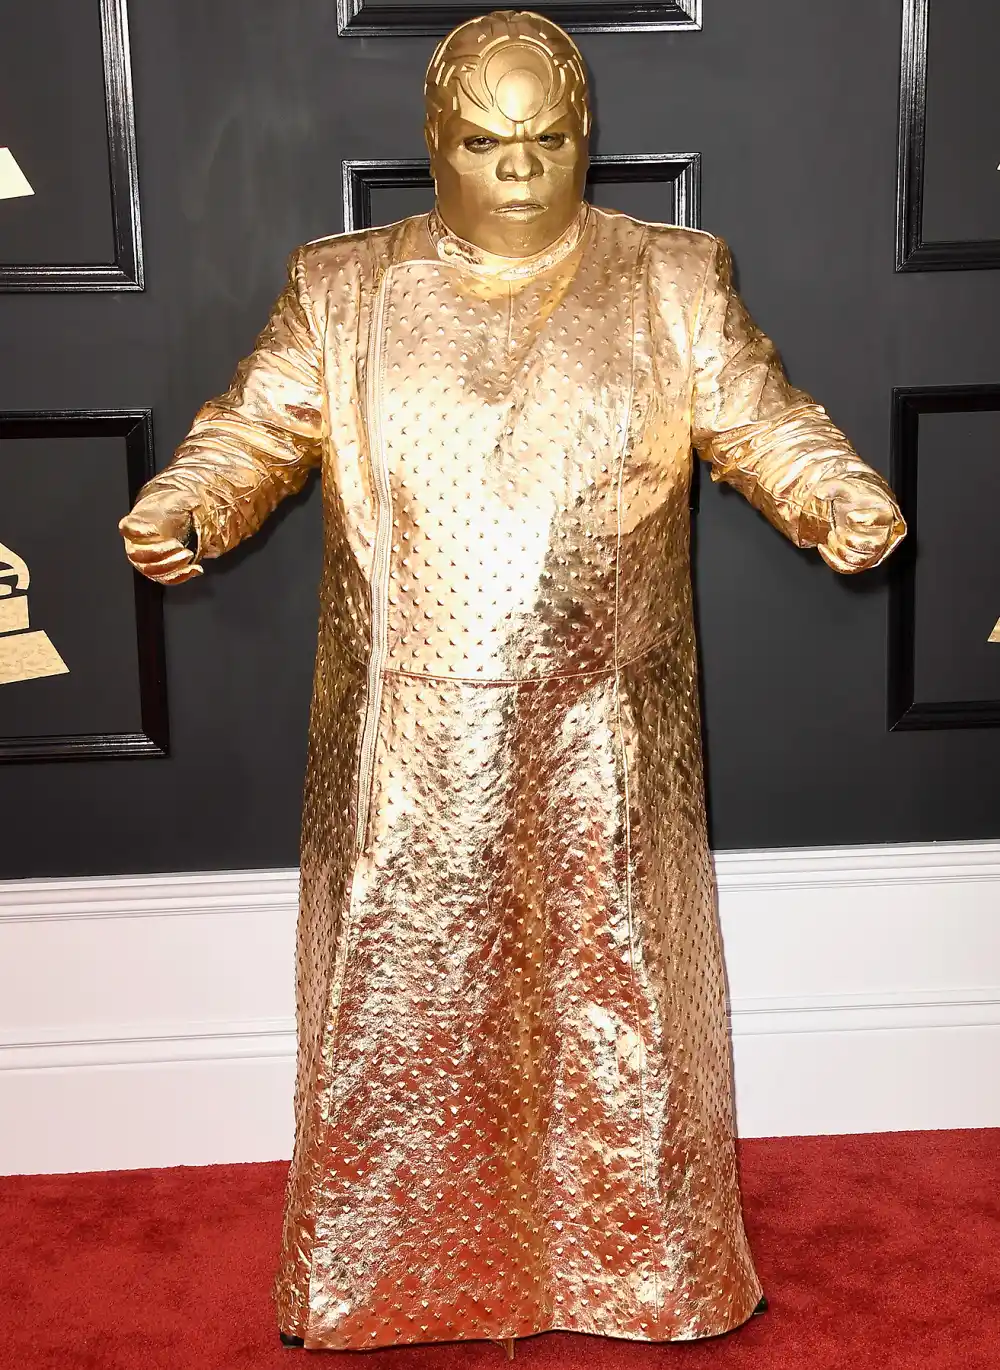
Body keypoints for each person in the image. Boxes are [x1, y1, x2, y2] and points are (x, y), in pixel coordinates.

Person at [119, 10, 906, 1352]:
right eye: (488, 144)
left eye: (549, 141)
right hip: (405, 729)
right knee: (404, 1009)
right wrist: (194, 501)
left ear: (584, 137)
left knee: (622, 1006)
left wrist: (832, 492)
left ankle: (641, 1271)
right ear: (436, 144)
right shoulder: (346, 288)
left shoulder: (671, 278)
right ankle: (384, 1278)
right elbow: (256, 425)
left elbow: (763, 415)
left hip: (611, 728)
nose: (524, 171)